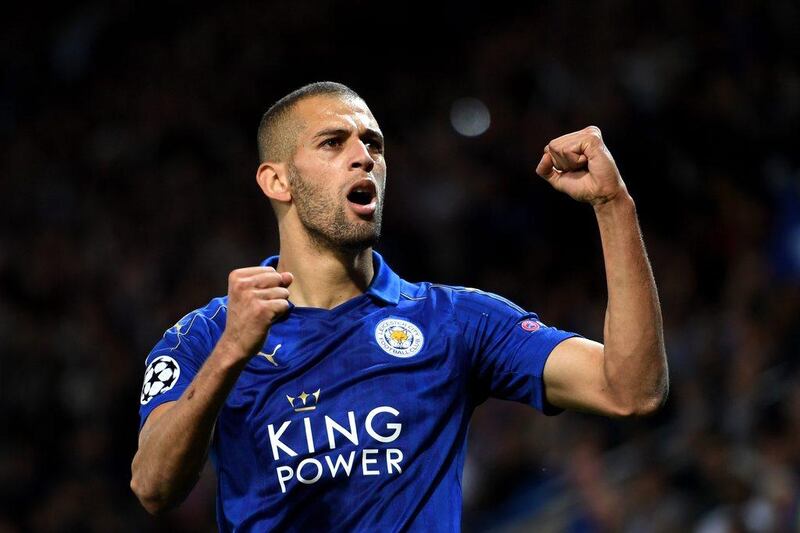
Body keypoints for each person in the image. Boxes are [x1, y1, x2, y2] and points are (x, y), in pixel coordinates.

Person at [130, 81, 668, 531]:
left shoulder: (454, 321)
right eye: (332, 143)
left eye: (373, 144)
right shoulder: (204, 336)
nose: (363, 156)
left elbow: (632, 391)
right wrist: (229, 355)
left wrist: (613, 205)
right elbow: (152, 487)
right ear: (277, 181)